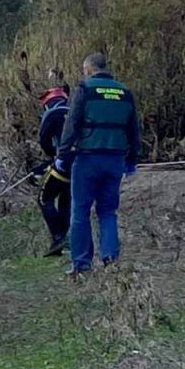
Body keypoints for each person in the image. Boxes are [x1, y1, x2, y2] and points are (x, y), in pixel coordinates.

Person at [56, 53, 141, 275]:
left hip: (87, 159)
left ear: (88, 68)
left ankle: (81, 264)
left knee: (81, 211)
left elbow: (72, 124)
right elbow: (134, 129)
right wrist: (132, 160)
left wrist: (62, 155)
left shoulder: (85, 89)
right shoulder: (125, 92)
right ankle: (110, 259)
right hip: (115, 160)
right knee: (108, 211)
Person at [37, 86, 72, 257]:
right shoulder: (76, 112)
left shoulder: (51, 115)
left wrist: (52, 156)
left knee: (45, 198)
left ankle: (58, 237)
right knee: (66, 200)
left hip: (62, 164)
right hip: (80, 165)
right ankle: (64, 239)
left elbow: (43, 140)